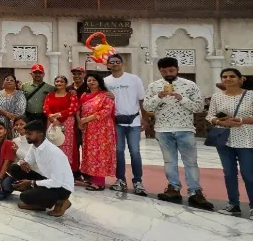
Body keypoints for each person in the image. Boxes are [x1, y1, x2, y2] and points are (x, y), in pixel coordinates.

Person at [142, 57, 212, 208]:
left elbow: (199, 107)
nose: (168, 74)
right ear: (160, 71)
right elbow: (147, 107)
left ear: (177, 69)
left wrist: (182, 98)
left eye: (171, 70)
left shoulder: (189, 85)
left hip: (185, 129)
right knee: (169, 161)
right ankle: (173, 188)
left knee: (191, 162)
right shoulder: (154, 86)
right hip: (163, 130)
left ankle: (195, 191)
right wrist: (158, 97)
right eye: (164, 71)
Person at [207, 68, 253, 218]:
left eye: (232, 76)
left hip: (246, 140)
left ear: (240, 79)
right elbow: (210, 116)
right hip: (224, 139)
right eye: (224, 76)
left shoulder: (251, 95)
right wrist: (220, 121)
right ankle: (233, 205)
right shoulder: (217, 97)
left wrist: (241, 120)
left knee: (248, 174)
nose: (228, 79)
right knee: (229, 173)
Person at [8, 120, 74, 217]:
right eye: (26, 133)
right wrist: (22, 162)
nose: (26, 136)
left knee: (24, 197)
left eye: (29, 134)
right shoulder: (34, 146)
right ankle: (39, 202)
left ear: (40, 135)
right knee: (15, 168)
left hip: (61, 187)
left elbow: (57, 182)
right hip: (47, 179)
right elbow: (27, 161)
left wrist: (31, 183)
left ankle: (62, 201)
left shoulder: (53, 152)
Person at [103, 55, 148, 196]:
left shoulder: (134, 79)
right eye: (112, 62)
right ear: (108, 65)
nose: (115, 64)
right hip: (116, 122)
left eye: (118, 61)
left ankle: (138, 181)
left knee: (135, 151)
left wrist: (145, 119)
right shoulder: (105, 81)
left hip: (133, 121)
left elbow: (142, 100)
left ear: (123, 64)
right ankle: (120, 180)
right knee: (118, 151)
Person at [78, 74, 116, 191]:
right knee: (90, 154)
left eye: (94, 80)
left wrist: (86, 119)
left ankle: (99, 182)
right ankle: (92, 178)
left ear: (99, 82)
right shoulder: (84, 95)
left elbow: (106, 111)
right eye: (89, 80)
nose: (91, 82)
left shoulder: (106, 95)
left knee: (100, 154)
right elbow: (79, 110)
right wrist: (81, 121)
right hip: (88, 130)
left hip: (102, 129)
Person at [42, 76, 79, 172]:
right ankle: (53, 169)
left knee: (66, 144)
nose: (59, 83)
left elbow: (73, 109)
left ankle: (66, 169)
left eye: (61, 81)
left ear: (66, 84)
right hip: (52, 122)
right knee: (53, 143)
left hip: (67, 123)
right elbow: (45, 108)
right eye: (57, 81)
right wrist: (52, 118)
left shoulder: (71, 95)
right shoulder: (50, 95)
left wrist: (59, 116)